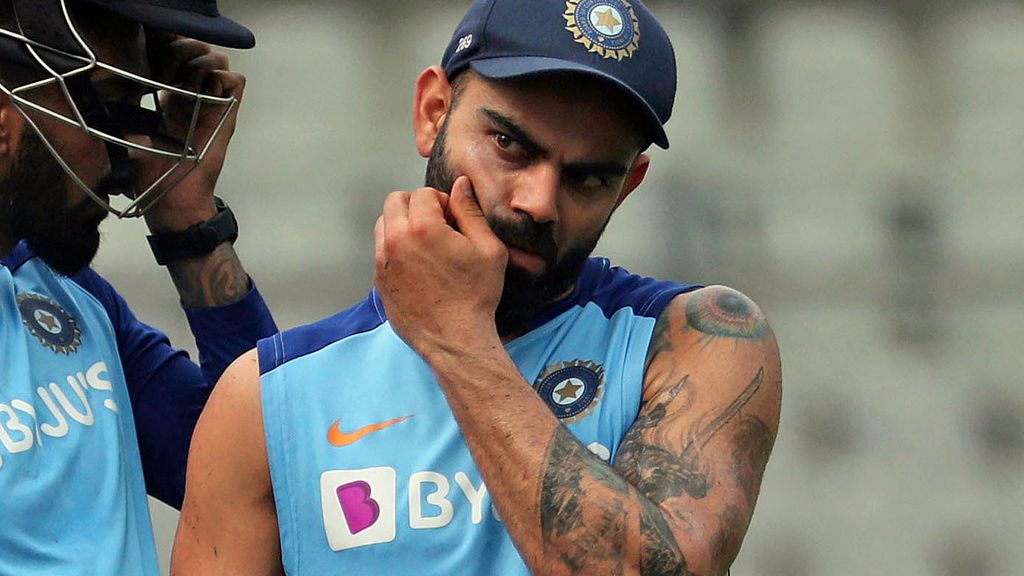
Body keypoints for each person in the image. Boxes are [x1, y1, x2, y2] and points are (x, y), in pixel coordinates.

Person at [173, 0, 782, 574]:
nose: (538, 203)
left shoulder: (698, 339)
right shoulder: (269, 396)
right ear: (432, 112)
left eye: (589, 178)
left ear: (628, 186)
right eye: (509, 145)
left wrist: (459, 337)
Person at [0, 0, 276, 574]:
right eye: (105, 106)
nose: (127, 155)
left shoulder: (66, 294)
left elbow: (265, 481)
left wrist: (188, 220)